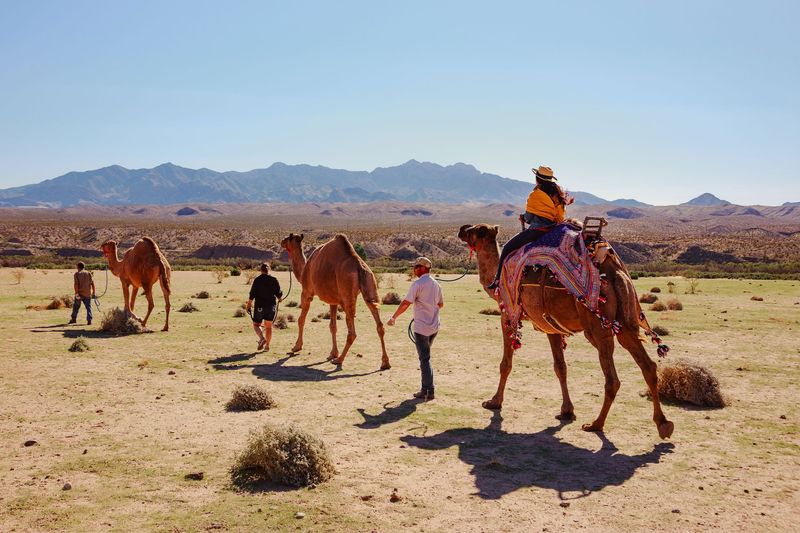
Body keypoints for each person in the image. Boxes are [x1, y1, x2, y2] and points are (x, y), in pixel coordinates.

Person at [486, 165, 573, 289]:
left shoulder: (536, 195)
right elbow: (558, 216)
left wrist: (524, 218)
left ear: (537, 179)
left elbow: (530, 217)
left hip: (537, 231)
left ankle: (497, 279)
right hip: (554, 230)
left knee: (507, 248)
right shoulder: (557, 195)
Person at [387, 256, 444, 401]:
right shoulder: (436, 284)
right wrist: (429, 307)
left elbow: (406, 303)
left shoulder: (417, 284)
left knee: (424, 359)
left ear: (423, 268)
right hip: (434, 327)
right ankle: (427, 389)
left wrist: (394, 317)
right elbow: (441, 304)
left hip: (421, 328)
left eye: (417, 267)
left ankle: (428, 391)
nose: (414, 269)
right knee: (426, 357)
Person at [246, 262, 283, 351]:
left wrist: (249, 305)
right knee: (268, 326)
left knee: (256, 324)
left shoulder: (257, 280)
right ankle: (267, 346)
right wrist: (280, 298)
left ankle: (262, 339)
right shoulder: (274, 279)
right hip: (271, 307)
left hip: (260, 307)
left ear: (261, 270)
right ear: (269, 269)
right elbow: (279, 294)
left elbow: (252, 294)